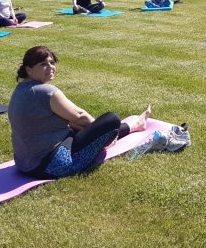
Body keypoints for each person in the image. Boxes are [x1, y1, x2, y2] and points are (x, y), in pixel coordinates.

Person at [9, 45, 151, 178]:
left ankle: (136, 125)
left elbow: (66, 121)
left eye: (52, 62)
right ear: (29, 70)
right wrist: (104, 135)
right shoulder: (46, 92)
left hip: (26, 166)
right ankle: (136, 125)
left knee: (76, 127)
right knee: (111, 120)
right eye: (43, 64)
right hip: (54, 165)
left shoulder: (19, 90)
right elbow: (81, 117)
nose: (50, 67)